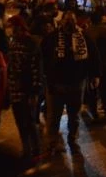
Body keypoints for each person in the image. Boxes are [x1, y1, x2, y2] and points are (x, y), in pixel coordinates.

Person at [41, 11, 100, 152]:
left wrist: (95, 75)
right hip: (56, 84)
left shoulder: (83, 37)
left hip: (76, 83)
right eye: (66, 20)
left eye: (72, 20)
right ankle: (52, 142)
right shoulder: (52, 38)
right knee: (54, 116)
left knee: (74, 116)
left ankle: (72, 140)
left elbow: (94, 56)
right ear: (61, 22)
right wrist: (45, 77)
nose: (69, 23)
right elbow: (43, 58)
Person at [6, 14, 44, 160]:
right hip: (15, 89)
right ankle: (26, 148)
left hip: (27, 89)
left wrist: (35, 92)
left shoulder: (31, 43)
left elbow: (36, 69)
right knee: (20, 121)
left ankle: (36, 149)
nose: (10, 30)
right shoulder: (13, 42)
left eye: (11, 27)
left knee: (29, 121)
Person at [85, 11, 106, 120]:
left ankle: (94, 112)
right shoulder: (104, 29)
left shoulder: (87, 30)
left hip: (91, 64)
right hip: (104, 62)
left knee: (93, 89)